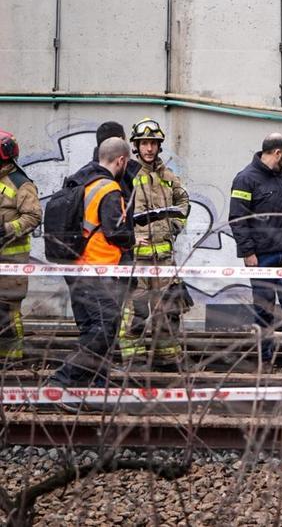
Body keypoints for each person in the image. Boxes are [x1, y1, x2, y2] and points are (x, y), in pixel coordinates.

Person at [49, 136, 135, 388]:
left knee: (92, 328)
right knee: (106, 326)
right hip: (95, 269)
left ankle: (92, 387)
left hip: (75, 266)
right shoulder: (109, 189)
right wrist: (132, 238)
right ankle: (62, 381)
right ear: (121, 160)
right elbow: (115, 231)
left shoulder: (83, 180)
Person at [116, 118, 191, 371]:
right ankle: (133, 362)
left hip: (165, 260)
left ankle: (166, 359)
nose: (149, 148)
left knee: (168, 311)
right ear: (136, 146)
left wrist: (175, 226)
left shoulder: (167, 176)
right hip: (136, 260)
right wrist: (129, 236)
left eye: (153, 143)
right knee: (135, 313)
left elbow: (184, 203)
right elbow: (113, 210)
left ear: (159, 146)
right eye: (144, 143)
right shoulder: (126, 175)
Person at [229, 133, 282, 364]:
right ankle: (265, 359)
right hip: (261, 257)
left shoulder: (280, 177)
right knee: (264, 311)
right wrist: (248, 253)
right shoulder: (245, 179)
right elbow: (237, 218)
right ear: (277, 153)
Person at [0, 131, 41, 362]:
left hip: (11, 261)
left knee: (7, 310)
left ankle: (13, 361)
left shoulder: (21, 183)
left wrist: (6, 229)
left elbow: (33, 217)